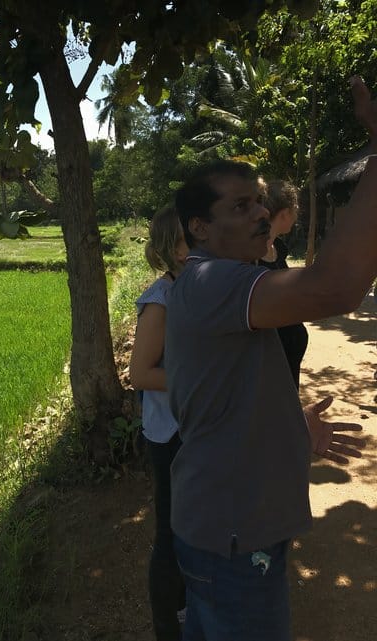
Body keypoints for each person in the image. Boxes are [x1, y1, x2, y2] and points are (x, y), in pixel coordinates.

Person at [163, 76, 377, 641]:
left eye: (260, 199)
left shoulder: (231, 283)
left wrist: (290, 431)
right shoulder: (212, 280)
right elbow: (336, 288)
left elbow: (230, 392)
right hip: (234, 534)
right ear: (200, 228)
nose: (262, 212)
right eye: (242, 205)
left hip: (223, 524)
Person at [130, 207, 189, 641]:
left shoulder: (194, 290)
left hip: (194, 429)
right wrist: (199, 380)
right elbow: (140, 374)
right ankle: (168, 626)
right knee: (171, 533)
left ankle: (192, 613)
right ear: (173, 248)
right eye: (195, 238)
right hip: (169, 435)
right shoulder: (161, 299)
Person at [258, 180, 310, 380]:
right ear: (285, 213)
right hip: (267, 370)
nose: (297, 215)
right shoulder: (251, 257)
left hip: (288, 365)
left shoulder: (277, 250)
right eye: (295, 209)